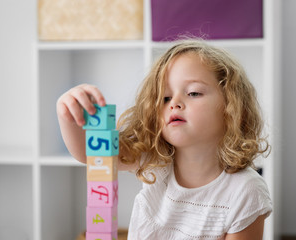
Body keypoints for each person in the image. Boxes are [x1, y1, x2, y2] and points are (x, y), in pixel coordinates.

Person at [56, 39, 272, 239]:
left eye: (194, 93)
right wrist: (67, 112)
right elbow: (91, 155)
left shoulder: (246, 191)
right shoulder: (155, 160)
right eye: (165, 97)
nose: (174, 103)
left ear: (232, 108)